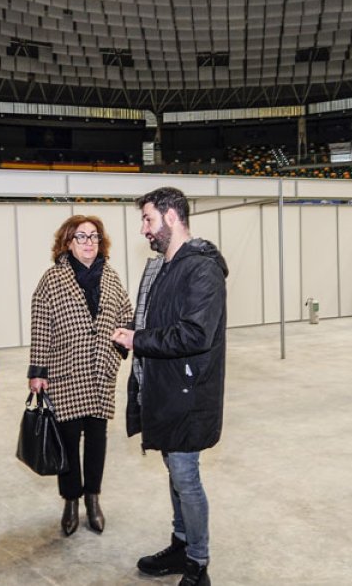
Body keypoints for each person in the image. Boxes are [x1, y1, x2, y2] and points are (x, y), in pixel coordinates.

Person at [112, 187, 228, 586]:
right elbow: (155, 320)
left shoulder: (202, 269)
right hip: (166, 388)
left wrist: (137, 340)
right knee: (175, 472)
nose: (144, 229)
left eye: (148, 219)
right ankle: (181, 545)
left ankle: (198, 565)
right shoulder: (165, 265)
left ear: (172, 217)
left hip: (189, 394)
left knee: (186, 476)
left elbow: (194, 335)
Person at [27, 215, 134, 536]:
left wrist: (118, 348)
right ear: (68, 243)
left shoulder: (112, 277)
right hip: (65, 372)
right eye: (81, 237)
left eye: (94, 237)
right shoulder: (52, 279)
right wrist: (38, 371)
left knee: (98, 441)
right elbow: (40, 326)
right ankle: (71, 500)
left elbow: (127, 314)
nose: (89, 243)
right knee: (69, 441)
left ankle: (92, 499)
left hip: (101, 372)